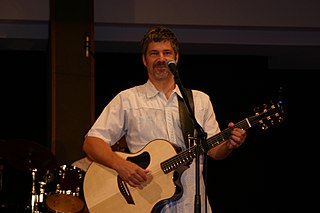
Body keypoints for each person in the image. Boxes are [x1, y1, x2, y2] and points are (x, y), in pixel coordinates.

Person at [82, 25, 247, 213]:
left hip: (192, 203)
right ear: (144, 60)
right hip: (145, 202)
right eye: (154, 53)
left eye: (167, 53)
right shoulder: (127, 99)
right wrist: (122, 166)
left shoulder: (200, 101)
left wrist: (229, 145)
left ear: (176, 58)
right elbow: (91, 143)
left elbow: (215, 152)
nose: (161, 59)